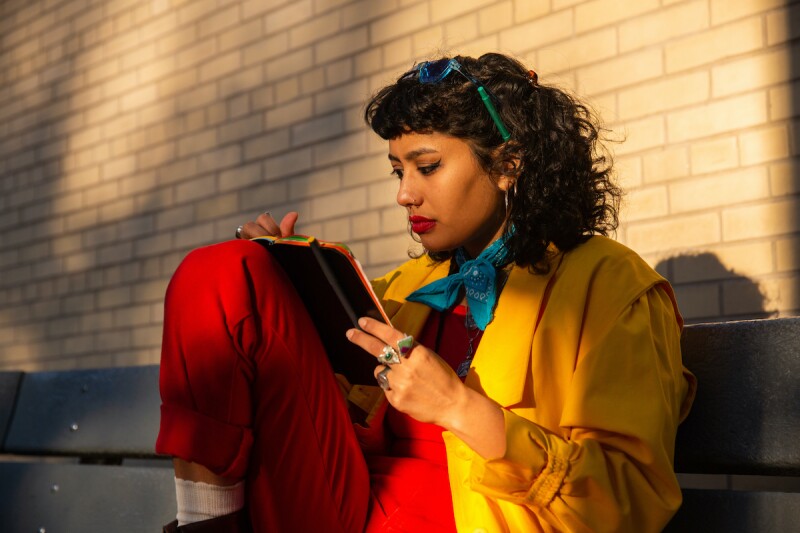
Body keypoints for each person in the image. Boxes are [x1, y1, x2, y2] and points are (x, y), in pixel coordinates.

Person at [156, 52, 696, 532]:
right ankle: (205, 523)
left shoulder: (610, 283)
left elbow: (632, 505)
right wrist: (282, 280)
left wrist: (460, 408)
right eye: (398, 169)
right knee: (228, 269)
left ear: (508, 164)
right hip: (349, 504)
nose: (404, 194)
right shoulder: (413, 284)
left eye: (427, 166)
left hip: (479, 519)